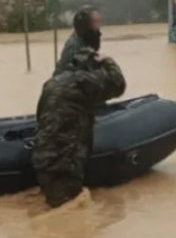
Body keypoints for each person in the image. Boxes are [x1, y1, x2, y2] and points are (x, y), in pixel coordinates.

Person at [32, 47, 126, 208]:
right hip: (65, 164)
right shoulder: (85, 82)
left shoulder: (51, 83)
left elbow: (40, 117)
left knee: (54, 209)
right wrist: (107, 60)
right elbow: (118, 84)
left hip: (43, 159)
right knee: (69, 214)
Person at [54, 6, 102, 76]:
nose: (98, 26)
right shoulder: (74, 45)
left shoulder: (87, 39)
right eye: (95, 22)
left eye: (99, 21)